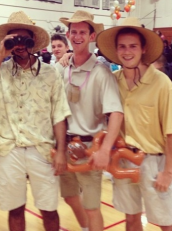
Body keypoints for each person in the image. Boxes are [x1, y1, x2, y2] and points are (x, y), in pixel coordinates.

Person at [0, 10, 71, 231]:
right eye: (13, 39)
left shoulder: (51, 73)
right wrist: (0, 55)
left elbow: (59, 114)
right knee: (15, 209)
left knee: (49, 208)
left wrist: (62, 150)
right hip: (9, 149)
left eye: (23, 39)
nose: (19, 45)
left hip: (42, 148)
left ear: (33, 42)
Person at [97, 17, 172, 231]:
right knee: (131, 219)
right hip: (123, 159)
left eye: (133, 46)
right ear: (116, 49)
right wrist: (67, 56)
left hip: (154, 162)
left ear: (143, 48)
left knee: (165, 222)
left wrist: (169, 171)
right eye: (122, 46)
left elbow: (170, 131)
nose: (127, 51)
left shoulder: (161, 83)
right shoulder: (113, 80)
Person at [55, 10, 124, 231]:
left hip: (89, 148)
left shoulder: (101, 72)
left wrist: (104, 149)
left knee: (93, 206)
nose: (77, 36)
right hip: (64, 144)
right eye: (73, 32)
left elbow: (116, 112)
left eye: (82, 32)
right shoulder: (61, 69)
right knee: (69, 196)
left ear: (91, 36)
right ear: (68, 34)